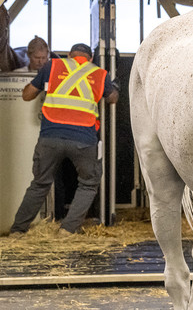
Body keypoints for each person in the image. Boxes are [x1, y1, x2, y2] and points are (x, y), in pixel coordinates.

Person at [9, 43, 118, 236]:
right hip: (84, 140)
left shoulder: (52, 66)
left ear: (69, 55)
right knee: (88, 183)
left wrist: (42, 84)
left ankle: (18, 231)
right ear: (91, 58)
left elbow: (27, 95)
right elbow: (113, 98)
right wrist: (114, 86)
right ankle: (67, 230)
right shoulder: (100, 74)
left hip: (50, 137)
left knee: (40, 183)